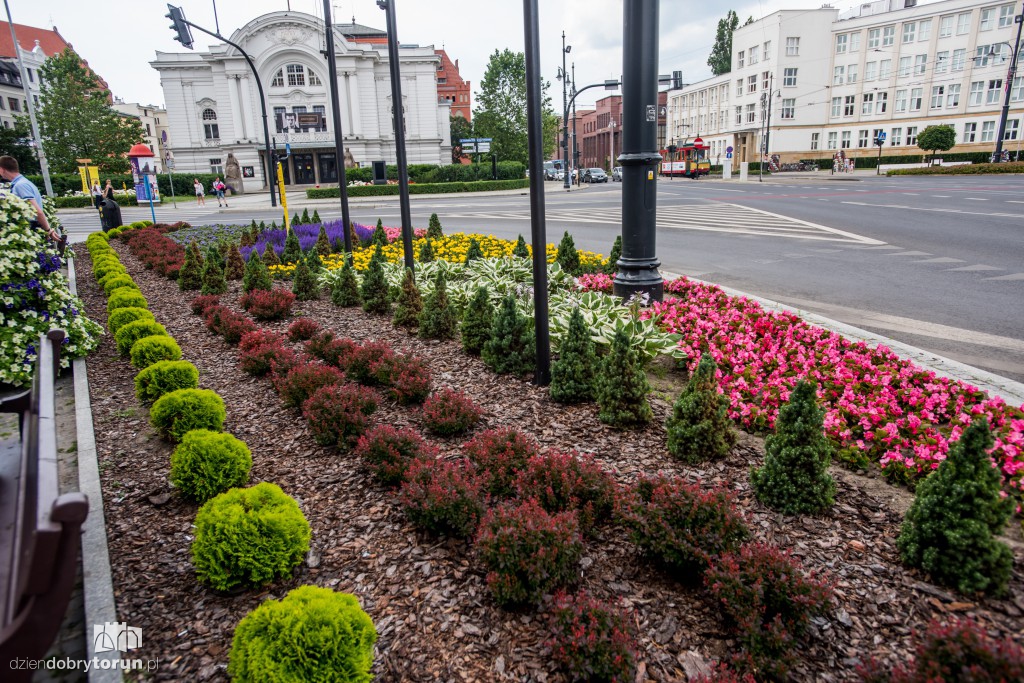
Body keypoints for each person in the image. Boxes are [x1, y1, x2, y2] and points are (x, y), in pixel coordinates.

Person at [0, 155, 59, 242]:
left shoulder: (20, 185)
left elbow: (37, 211)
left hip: (32, 229)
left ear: (2, 169)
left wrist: (48, 230)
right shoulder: (24, 182)